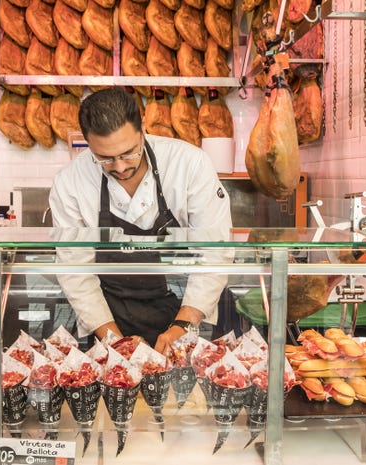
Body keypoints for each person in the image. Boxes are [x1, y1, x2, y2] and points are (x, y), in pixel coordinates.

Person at [49, 87, 233, 354]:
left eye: (128, 153)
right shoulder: (70, 183)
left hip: (184, 308)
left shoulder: (189, 164)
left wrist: (182, 327)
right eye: (106, 158)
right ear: (88, 143)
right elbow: (75, 270)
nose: (120, 167)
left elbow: (214, 253)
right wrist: (115, 341)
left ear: (143, 128)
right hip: (109, 316)